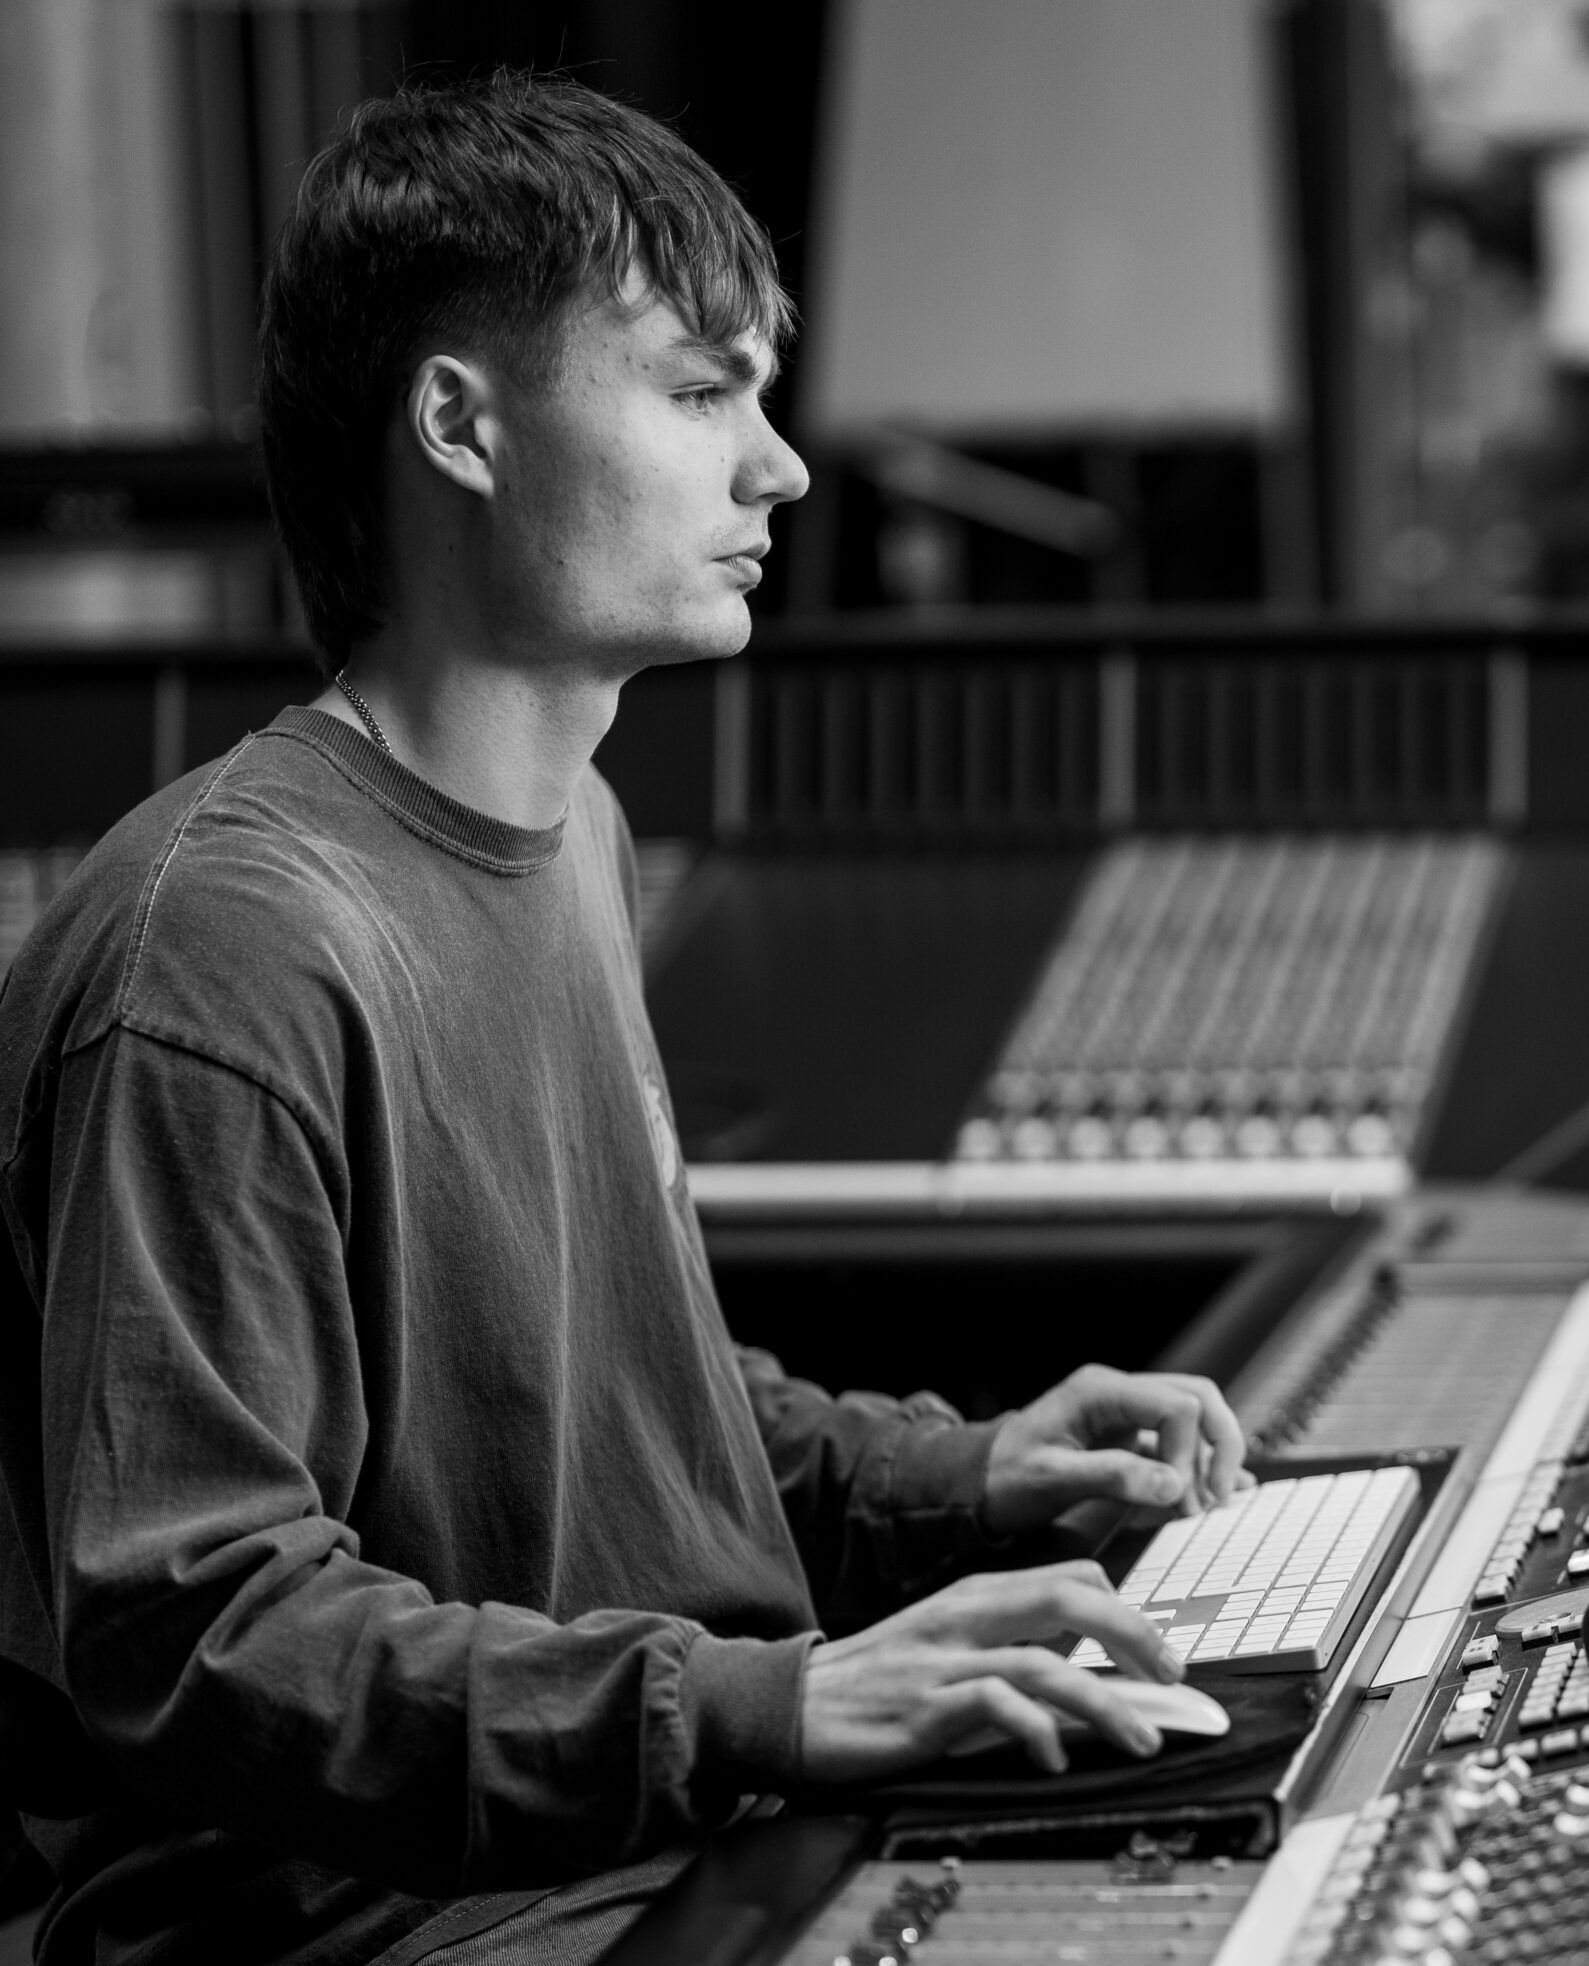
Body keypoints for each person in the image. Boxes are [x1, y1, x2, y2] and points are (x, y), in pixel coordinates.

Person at [0, 72, 1248, 1966]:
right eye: (696, 390)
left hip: (651, 1848)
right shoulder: (228, 947)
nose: (783, 467)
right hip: (381, 1931)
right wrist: (767, 1706)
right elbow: (197, 1626)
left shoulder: (573, 828)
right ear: (459, 424)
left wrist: (960, 1473)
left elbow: (575, 1410)